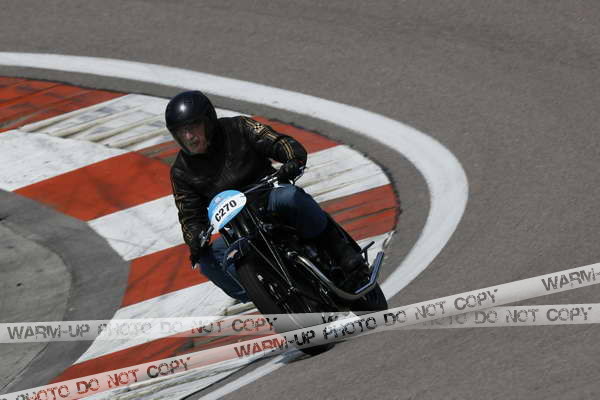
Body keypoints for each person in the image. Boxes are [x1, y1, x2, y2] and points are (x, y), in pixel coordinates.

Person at [166, 90, 366, 303]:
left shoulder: (239, 126)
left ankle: (339, 249)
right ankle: (264, 295)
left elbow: (277, 142)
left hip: (269, 197)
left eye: (193, 127)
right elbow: (189, 216)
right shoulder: (180, 171)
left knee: (290, 196)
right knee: (207, 261)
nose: (189, 137)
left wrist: (292, 159)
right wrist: (195, 238)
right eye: (181, 132)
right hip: (236, 227)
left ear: (209, 121)